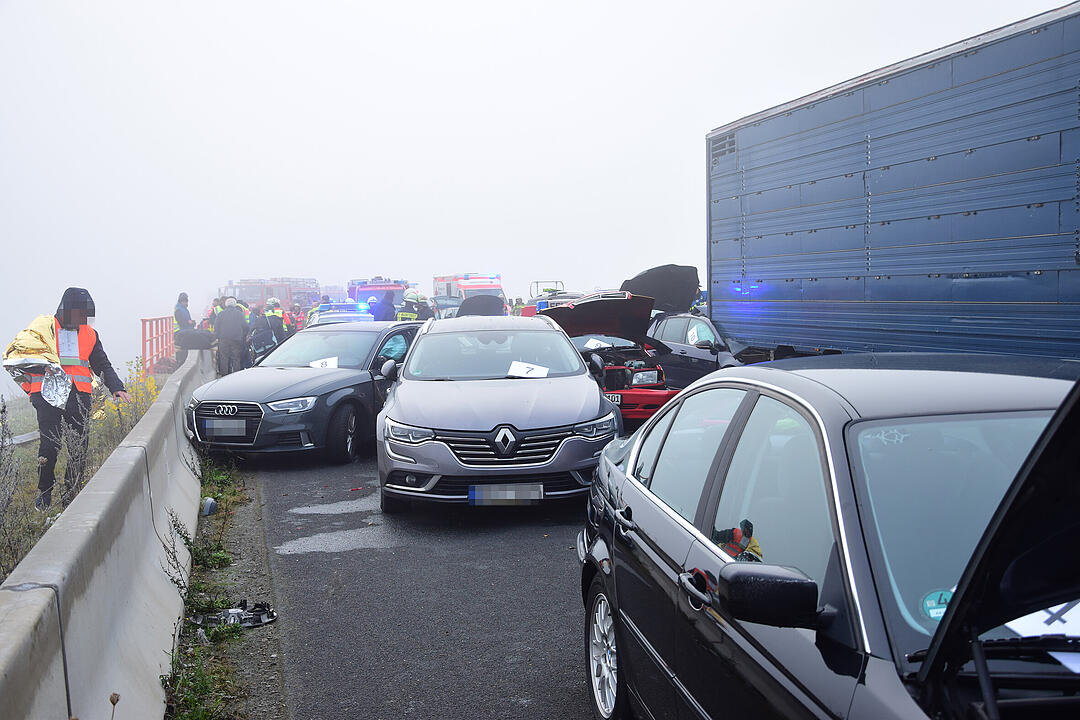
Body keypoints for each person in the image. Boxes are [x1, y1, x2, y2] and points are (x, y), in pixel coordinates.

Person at [24, 288, 130, 510]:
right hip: (47, 397)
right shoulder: (43, 329)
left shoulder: (89, 334)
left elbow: (102, 364)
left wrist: (116, 387)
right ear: (65, 309)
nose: (83, 319)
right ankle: (45, 491)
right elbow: (24, 358)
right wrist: (34, 391)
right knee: (49, 447)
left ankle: (72, 493)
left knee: (79, 447)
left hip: (79, 397)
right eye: (79, 314)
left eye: (86, 315)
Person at [214, 297, 250, 375]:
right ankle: (235, 376)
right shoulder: (239, 314)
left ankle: (224, 376)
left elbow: (216, 326)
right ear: (235, 305)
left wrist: (217, 336)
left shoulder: (221, 314)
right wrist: (243, 335)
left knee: (224, 358)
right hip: (236, 339)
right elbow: (245, 326)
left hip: (223, 339)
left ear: (226, 305)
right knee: (236, 358)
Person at [173, 292, 195, 364]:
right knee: (181, 353)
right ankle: (179, 366)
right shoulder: (179, 310)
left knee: (184, 352)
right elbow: (182, 322)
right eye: (186, 302)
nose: (187, 303)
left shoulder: (183, 309)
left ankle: (181, 363)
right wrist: (190, 323)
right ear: (182, 301)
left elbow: (187, 321)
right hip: (180, 334)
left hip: (184, 333)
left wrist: (191, 323)